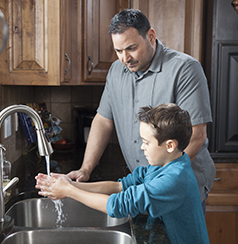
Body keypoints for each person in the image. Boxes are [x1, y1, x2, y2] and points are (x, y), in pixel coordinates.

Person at [67, 9, 215, 214]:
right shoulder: (116, 72)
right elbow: (103, 121)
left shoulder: (185, 69)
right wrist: (85, 169)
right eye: (118, 51)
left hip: (178, 187)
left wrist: (162, 180)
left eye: (131, 48)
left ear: (151, 37)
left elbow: (196, 136)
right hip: (143, 185)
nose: (125, 58)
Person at [36, 103, 210, 244]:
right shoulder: (165, 165)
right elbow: (120, 186)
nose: (142, 147)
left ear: (170, 145)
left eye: (146, 142)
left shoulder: (174, 179)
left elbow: (118, 205)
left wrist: (69, 192)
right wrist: (71, 184)